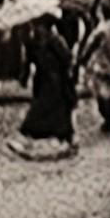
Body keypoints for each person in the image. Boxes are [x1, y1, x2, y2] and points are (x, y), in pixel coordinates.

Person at [10, 14, 78, 156]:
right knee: (52, 108)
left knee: (49, 108)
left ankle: (63, 136)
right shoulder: (40, 41)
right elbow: (29, 61)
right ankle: (64, 137)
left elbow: (66, 58)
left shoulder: (50, 41)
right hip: (47, 79)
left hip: (53, 79)